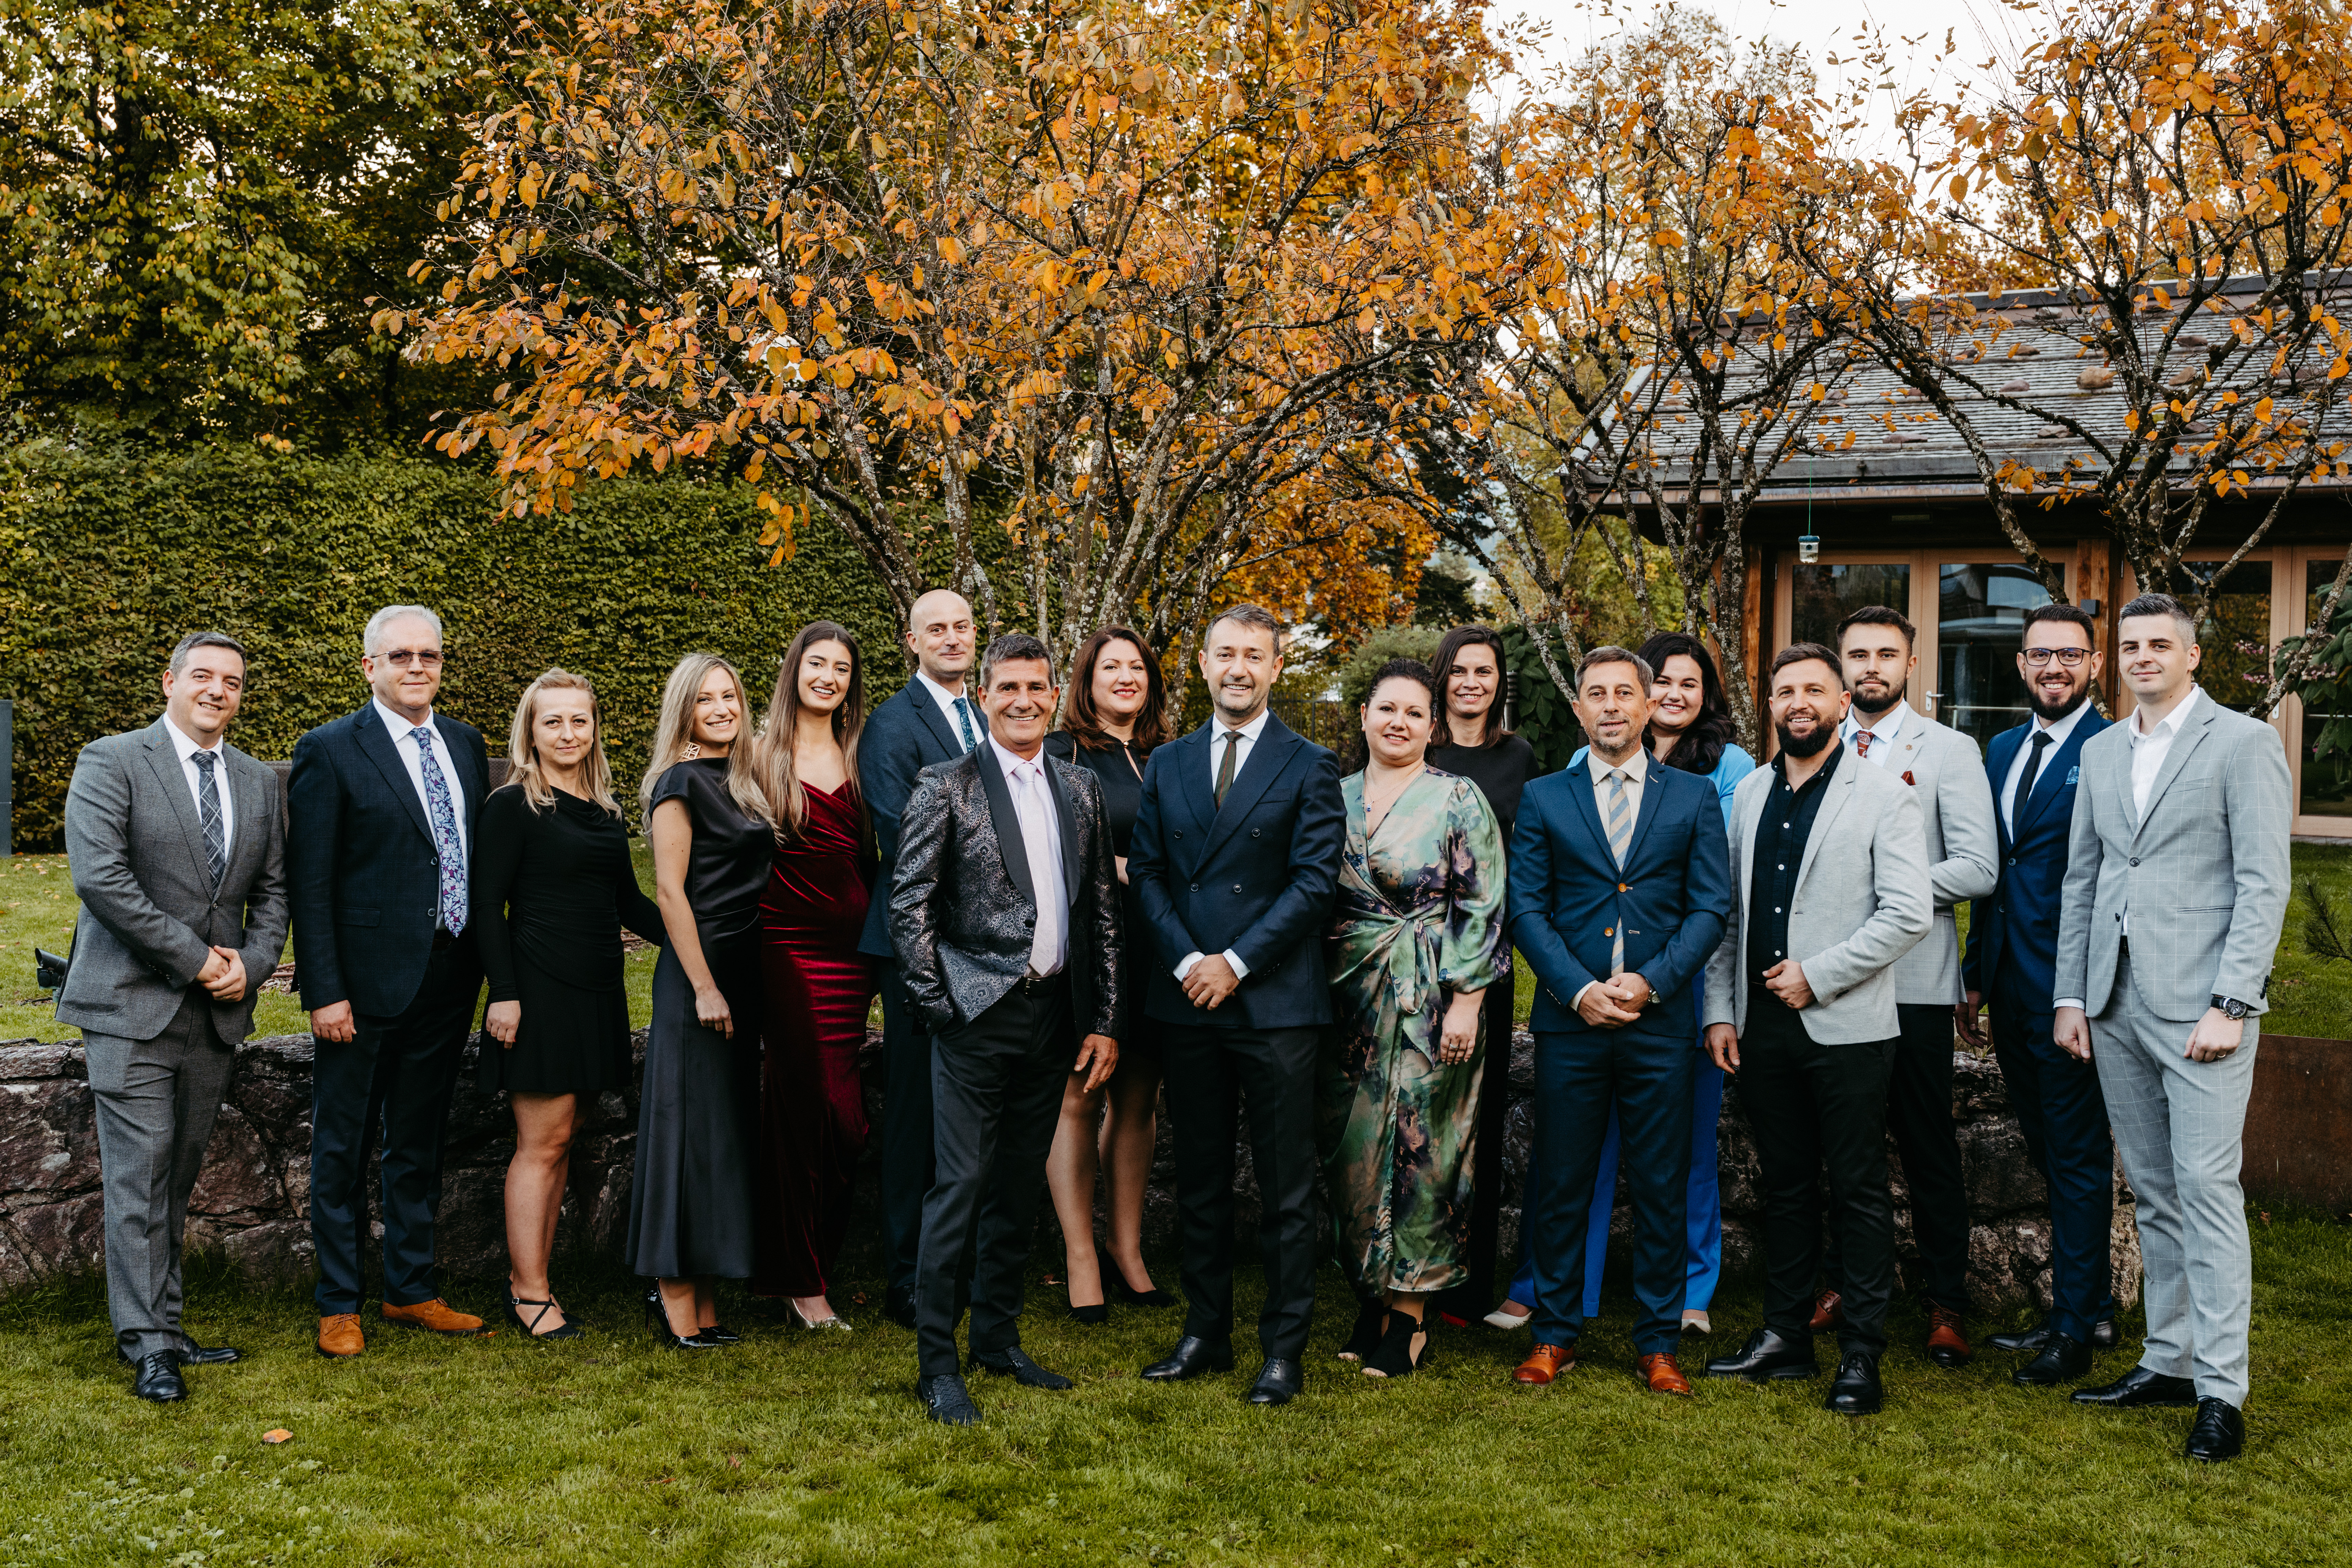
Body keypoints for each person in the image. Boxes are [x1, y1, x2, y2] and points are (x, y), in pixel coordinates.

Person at [2053, 592, 2292, 1463]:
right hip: (2114, 1000)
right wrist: (2072, 996)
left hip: (2202, 1008)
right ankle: (2170, 1358)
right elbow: (2085, 879)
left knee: (2206, 1189)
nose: (2143, 656)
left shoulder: (2243, 742)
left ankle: (2222, 1391)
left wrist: (2234, 1002)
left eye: (2161, 643)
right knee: (2154, 1190)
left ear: (2193, 656)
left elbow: (2264, 881)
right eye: (2130, 646)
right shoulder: (2102, 749)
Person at [1488, 630, 1754, 1339]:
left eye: (1624, 694)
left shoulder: (1693, 796)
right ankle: (1554, 1333)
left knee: (1662, 1183)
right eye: (1596, 695)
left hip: (1659, 1021)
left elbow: (1710, 908)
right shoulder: (1545, 796)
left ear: (1646, 705)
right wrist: (1578, 989)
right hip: (1570, 1021)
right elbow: (1526, 908)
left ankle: (1659, 1338)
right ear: (1579, 709)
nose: (1611, 706)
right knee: (1563, 1178)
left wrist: (1652, 981)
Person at [889, 633, 1122, 1425]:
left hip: (1054, 1017)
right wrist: (939, 1004)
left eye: (1036, 686)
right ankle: (937, 1363)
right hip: (973, 1015)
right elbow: (909, 902)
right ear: (983, 696)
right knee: (959, 1185)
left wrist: (1103, 1018)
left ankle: (996, 1336)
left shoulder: (1081, 787)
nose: (1023, 699)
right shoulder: (945, 784)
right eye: (1008, 687)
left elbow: (1101, 909)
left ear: (1054, 695)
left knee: (1019, 1184)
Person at [1700, 643, 1930, 1416]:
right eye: (1785, 691)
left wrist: (1819, 974)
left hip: (1848, 1026)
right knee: (1786, 1186)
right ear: (1770, 704)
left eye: (1814, 690)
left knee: (1859, 1189)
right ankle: (1785, 1336)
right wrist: (1721, 1009)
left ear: (1841, 703)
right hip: (1760, 1026)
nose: (1799, 702)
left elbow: (1907, 912)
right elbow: (1729, 914)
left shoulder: (1884, 793)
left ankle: (1862, 1351)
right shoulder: (1749, 793)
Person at [59, 632, 289, 1402]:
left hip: (215, 1014)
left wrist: (253, 963)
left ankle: (166, 1323)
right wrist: (195, 959)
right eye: (203, 675)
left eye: (233, 681)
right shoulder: (113, 760)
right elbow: (102, 878)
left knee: (176, 1178)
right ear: (170, 681)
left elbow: (275, 890)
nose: (217, 690)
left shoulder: (258, 780)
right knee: (139, 1175)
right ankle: (149, 1344)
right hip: (131, 1004)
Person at [1129, 603, 1346, 1409]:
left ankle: (1283, 1348)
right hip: (1190, 997)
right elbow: (1148, 872)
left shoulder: (1310, 762)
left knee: (1287, 1187)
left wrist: (1237, 961)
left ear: (1277, 667)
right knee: (1201, 1178)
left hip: (1276, 1001)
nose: (1239, 668)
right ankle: (1205, 1332)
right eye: (1226, 653)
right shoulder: (1169, 760)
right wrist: (1192, 960)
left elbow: (1314, 883)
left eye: (1255, 655)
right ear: (1203, 663)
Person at [288, 605, 494, 1358]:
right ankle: (338, 1302)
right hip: (362, 985)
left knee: (418, 1139)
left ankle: (410, 1289)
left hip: (449, 974)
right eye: (400, 655)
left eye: (429, 655)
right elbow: (311, 882)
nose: (416, 666)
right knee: (343, 1147)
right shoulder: (330, 749)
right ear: (369, 665)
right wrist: (324, 989)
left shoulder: (465, 743)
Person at [1809, 606, 1998, 1368]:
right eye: (1858, 655)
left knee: (1926, 1145)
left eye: (1886, 654)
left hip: (1916, 980)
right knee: (1843, 1142)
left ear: (1910, 664)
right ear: (1842, 666)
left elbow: (1979, 866)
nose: (1871, 667)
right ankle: (1840, 1284)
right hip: (1834, 978)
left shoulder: (1949, 751)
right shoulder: (1816, 745)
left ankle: (1947, 1301)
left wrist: (1889, 889)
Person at [1319, 660, 1506, 1378]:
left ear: (1432, 727)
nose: (1398, 722)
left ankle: (1411, 1313)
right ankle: (1372, 1292)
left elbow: (1482, 905)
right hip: (1347, 1000)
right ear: (1364, 715)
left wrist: (1468, 1001)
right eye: (1386, 708)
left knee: (1425, 1151)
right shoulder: (1330, 796)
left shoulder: (1458, 797)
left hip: (1431, 999)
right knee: (1355, 1149)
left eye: (1413, 713)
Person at [473, 669, 665, 1340]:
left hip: (597, 989)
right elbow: (486, 908)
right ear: (530, 731)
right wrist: (505, 993)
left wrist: (700, 943)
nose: (567, 733)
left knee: (563, 1140)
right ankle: (528, 1293)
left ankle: (536, 1279)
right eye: (552, 721)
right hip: (539, 989)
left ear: (594, 728)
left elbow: (629, 902)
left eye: (579, 720)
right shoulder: (511, 806)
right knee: (541, 1143)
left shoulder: (606, 809)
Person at [1957, 604, 2119, 1384]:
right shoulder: (2000, 749)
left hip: (2072, 989)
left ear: (2094, 664)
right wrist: (1973, 972)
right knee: (2048, 1148)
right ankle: (2093, 1303)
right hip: (2008, 980)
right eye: (2040, 655)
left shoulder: (2114, 748)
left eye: (2070, 654)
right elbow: (1994, 867)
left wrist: (2078, 992)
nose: (2054, 667)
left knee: (2077, 1151)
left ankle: (2075, 1326)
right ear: (2021, 664)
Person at [627, 654, 775, 1348]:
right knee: (686, 1131)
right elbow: (669, 891)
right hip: (700, 971)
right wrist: (704, 985)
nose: (721, 709)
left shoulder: (742, 779)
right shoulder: (679, 783)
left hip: (744, 966)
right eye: (705, 700)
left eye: (730, 697)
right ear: (683, 712)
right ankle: (671, 1290)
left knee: (721, 1133)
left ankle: (706, 1295)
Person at [1043, 627, 1177, 1322]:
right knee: (1079, 1095)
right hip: (1093, 943)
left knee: (1138, 1100)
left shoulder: (1171, 756)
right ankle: (1080, 1255)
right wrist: (1127, 869)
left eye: (1137, 667)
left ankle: (1127, 1249)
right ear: (1087, 680)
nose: (1126, 677)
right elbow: (1048, 847)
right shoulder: (1061, 753)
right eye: (1111, 667)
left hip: (1158, 948)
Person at [859, 589, 982, 1329]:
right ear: (911, 640)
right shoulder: (891, 724)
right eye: (936, 628)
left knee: (971, 1109)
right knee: (915, 1111)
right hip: (918, 944)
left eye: (962, 626)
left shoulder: (990, 713)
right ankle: (908, 1276)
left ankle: (964, 1265)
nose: (951, 638)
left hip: (990, 946)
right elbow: (899, 833)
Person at [751, 622, 876, 1331]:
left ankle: (813, 1262)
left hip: (854, 955)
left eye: (842, 668)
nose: (828, 676)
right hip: (788, 951)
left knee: (849, 1123)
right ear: (795, 670)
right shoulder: (758, 753)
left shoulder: (864, 753)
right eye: (817, 663)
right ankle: (801, 1283)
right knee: (809, 1109)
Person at [1421, 625, 1540, 1332]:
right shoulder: (1417, 744)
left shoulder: (1516, 756)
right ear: (1442, 678)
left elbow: (1515, 867)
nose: (1471, 682)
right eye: (1460, 670)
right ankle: (1407, 1274)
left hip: (1483, 960)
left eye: (1484, 671)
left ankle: (1466, 1288)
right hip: (1410, 959)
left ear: (1499, 682)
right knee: (1414, 1121)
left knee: (1477, 1123)